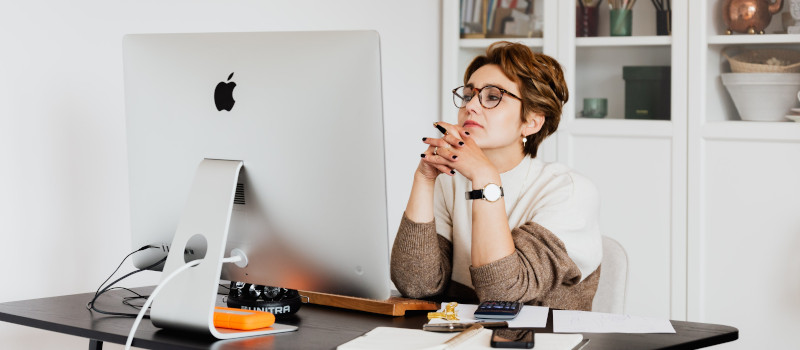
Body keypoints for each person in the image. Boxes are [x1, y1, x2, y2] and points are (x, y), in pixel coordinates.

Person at [390, 41, 602, 311]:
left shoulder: (570, 191)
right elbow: (416, 285)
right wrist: (424, 177)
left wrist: (485, 177)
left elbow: (502, 295)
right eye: (468, 95)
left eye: (492, 97)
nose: (471, 106)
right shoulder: (450, 180)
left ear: (532, 122)